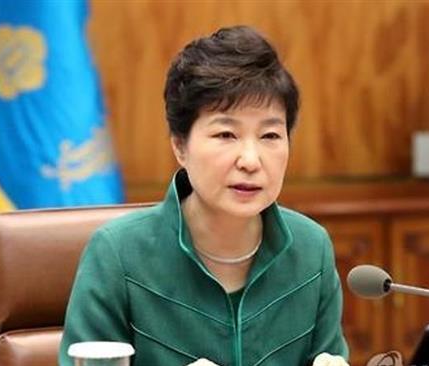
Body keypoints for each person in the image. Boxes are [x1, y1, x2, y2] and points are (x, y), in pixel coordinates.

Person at [59, 25, 349, 366]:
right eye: (226, 134)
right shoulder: (119, 254)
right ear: (180, 146)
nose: (251, 161)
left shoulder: (310, 249)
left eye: (270, 135)